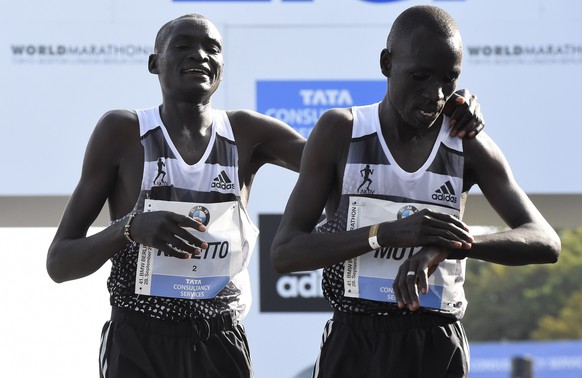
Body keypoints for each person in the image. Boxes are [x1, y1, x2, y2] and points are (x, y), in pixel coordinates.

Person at [46, 13, 485, 378]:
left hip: (220, 339)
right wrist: (129, 228)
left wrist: (444, 106)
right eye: (183, 46)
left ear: (222, 67)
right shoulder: (121, 131)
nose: (200, 54)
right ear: (153, 62)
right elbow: (60, 262)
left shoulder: (247, 133)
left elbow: (352, 157)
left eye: (213, 48)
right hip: (138, 339)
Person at [270, 5, 561, 378]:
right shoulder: (341, 130)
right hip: (356, 339)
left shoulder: (466, 144)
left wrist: (451, 244)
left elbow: (544, 241)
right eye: (420, 76)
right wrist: (383, 234)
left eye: (449, 79)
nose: (434, 95)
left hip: (436, 342)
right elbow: (285, 253)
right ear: (387, 63)